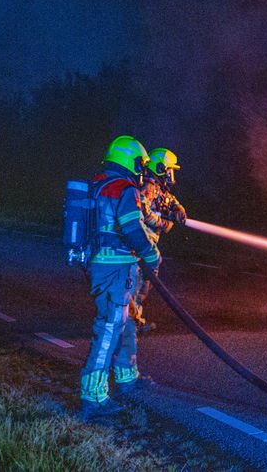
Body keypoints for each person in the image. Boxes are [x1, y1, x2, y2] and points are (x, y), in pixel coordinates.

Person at [79, 135, 161, 420]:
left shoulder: (100, 183)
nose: (142, 169)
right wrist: (151, 256)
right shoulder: (124, 188)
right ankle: (93, 397)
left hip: (104, 265)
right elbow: (132, 228)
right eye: (140, 163)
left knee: (124, 321)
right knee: (109, 328)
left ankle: (126, 377)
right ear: (130, 160)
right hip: (116, 268)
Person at [133, 148, 186, 331]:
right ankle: (129, 324)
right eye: (169, 170)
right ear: (161, 167)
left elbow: (171, 201)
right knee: (137, 284)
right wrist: (165, 223)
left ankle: (134, 321)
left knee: (143, 286)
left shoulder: (160, 189)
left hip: (149, 244)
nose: (171, 175)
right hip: (141, 244)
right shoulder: (148, 187)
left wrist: (179, 209)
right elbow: (144, 214)